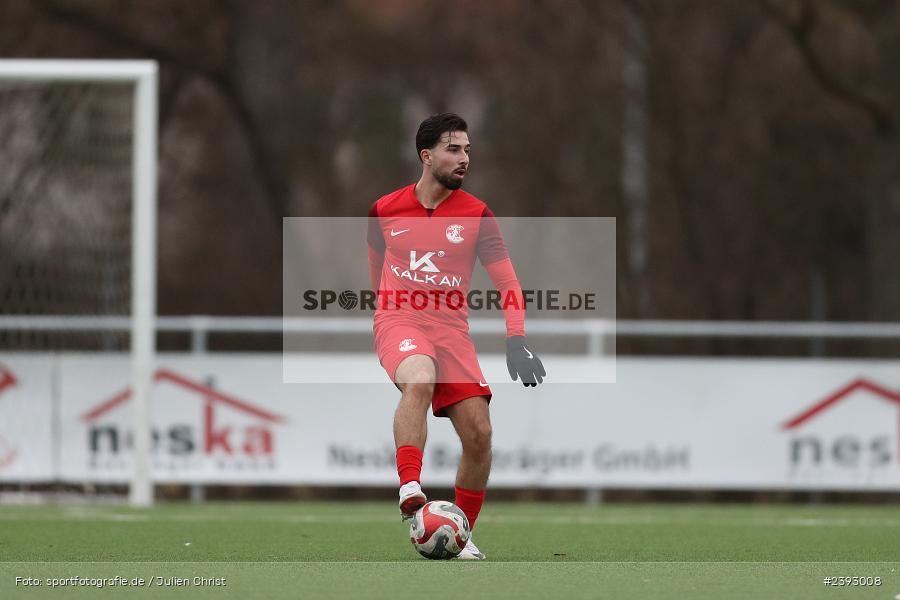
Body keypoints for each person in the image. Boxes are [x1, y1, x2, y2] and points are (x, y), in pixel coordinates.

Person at [367, 113, 545, 560]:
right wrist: (389, 313)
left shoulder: (478, 214)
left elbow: (508, 282)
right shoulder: (384, 210)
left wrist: (516, 338)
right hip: (399, 320)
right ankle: (410, 485)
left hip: (451, 332)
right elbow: (376, 275)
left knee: (480, 434)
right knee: (420, 377)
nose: (464, 158)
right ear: (426, 156)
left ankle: (460, 534)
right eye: (454, 149)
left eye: (467, 149)